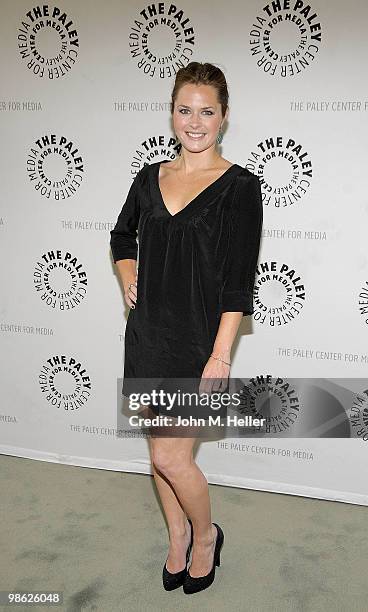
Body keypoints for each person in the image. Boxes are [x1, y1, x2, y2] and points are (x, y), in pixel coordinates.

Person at [110, 62, 263, 594]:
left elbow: (238, 283)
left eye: (206, 112)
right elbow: (121, 236)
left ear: (223, 119)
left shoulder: (240, 188)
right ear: (171, 113)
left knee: (169, 455)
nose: (194, 122)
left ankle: (205, 536)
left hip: (199, 344)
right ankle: (176, 536)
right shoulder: (149, 177)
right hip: (149, 334)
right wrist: (128, 276)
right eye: (184, 110)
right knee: (161, 451)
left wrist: (220, 357)